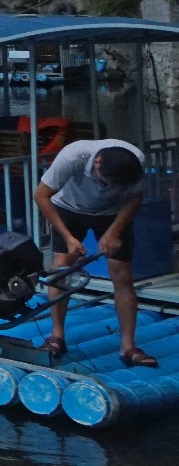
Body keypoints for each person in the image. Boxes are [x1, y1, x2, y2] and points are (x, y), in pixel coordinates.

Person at [37, 139, 154, 365]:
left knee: (122, 274)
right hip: (69, 207)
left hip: (112, 212)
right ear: (97, 162)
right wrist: (69, 238)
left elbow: (135, 197)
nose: (107, 187)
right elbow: (41, 195)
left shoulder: (134, 160)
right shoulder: (73, 156)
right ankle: (57, 336)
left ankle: (128, 346)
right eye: (106, 182)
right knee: (62, 268)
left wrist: (113, 232)